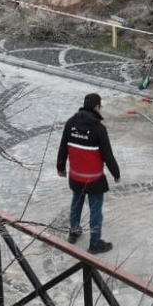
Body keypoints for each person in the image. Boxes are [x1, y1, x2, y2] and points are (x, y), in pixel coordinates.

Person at [56, 93, 121, 254]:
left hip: (76, 176)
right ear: (96, 107)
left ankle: (74, 231)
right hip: (94, 179)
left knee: (76, 203)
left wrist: (61, 167)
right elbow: (107, 155)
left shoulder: (70, 123)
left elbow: (63, 146)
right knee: (96, 211)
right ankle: (95, 243)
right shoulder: (99, 129)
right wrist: (116, 173)